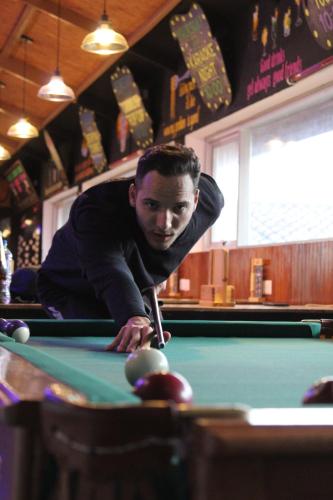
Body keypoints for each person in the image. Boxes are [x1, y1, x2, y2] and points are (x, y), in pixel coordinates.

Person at [37, 143, 224, 352]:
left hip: (133, 286)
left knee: (148, 339)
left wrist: (149, 287)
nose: (164, 223)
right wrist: (135, 317)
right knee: (111, 337)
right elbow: (111, 271)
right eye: (152, 205)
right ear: (133, 195)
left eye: (179, 207)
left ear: (196, 200)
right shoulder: (95, 210)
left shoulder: (210, 203)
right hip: (70, 289)